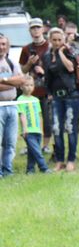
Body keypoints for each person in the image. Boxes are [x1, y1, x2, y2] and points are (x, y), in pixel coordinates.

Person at [43, 28, 79, 172]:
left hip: (71, 94)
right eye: (54, 40)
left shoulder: (70, 51)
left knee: (71, 128)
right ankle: (59, 160)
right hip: (56, 96)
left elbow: (71, 68)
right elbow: (47, 78)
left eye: (60, 39)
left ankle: (71, 159)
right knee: (57, 129)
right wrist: (49, 93)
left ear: (64, 40)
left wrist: (60, 53)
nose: (57, 42)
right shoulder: (46, 56)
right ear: (50, 40)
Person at [19, 18, 52, 155]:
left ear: (43, 29)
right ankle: (31, 145)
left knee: (47, 119)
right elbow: (23, 70)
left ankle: (45, 145)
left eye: (38, 27)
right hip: (31, 91)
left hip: (47, 88)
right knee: (30, 120)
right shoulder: (26, 49)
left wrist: (44, 70)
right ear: (30, 30)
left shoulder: (50, 46)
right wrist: (29, 63)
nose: (36, 30)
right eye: (33, 28)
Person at [0, 35, 24, 177]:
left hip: (12, 105)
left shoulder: (12, 62)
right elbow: (15, 82)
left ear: (8, 46)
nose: (1, 47)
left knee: (10, 142)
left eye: (4, 44)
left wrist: (3, 79)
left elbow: (21, 80)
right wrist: (11, 83)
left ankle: (8, 170)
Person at [16, 76, 50, 174]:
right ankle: (44, 167)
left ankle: (30, 169)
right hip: (29, 131)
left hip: (37, 130)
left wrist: (41, 129)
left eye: (31, 85)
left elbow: (39, 115)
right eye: (26, 85)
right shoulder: (20, 99)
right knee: (37, 151)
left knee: (32, 151)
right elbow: (22, 114)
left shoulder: (35, 100)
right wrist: (25, 129)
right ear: (21, 87)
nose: (29, 87)